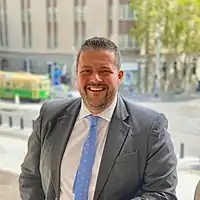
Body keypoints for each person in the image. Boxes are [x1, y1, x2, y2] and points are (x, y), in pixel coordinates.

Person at [19, 37, 178, 200]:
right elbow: (30, 177)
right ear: (77, 76)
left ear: (119, 76)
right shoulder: (50, 116)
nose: (95, 78)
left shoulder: (151, 127)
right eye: (86, 71)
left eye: (104, 71)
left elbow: (163, 193)